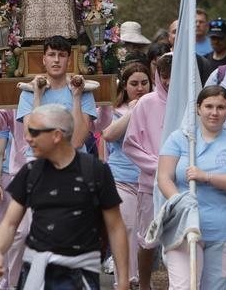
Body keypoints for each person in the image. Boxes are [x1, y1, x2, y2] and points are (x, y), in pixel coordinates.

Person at [0, 104, 129, 289]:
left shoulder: (96, 171)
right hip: (36, 273)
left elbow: (116, 227)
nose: (27, 138)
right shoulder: (30, 173)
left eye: (35, 132)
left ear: (56, 135)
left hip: (81, 274)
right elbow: (10, 223)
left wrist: (124, 280)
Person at [157, 86, 226, 289]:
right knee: (184, 287)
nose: (214, 112)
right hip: (184, 228)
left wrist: (207, 177)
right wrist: (181, 202)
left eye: (220, 107)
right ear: (198, 108)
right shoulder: (180, 139)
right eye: (208, 106)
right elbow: (164, 177)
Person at [100, 62, 151, 289]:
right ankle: (125, 281)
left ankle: (142, 279)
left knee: (146, 236)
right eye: (134, 84)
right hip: (121, 180)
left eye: (144, 83)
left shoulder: (158, 108)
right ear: (125, 86)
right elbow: (109, 135)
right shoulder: (117, 111)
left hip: (149, 181)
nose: (139, 88)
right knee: (126, 230)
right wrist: (134, 111)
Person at [123, 53, 172, 289]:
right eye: (165, 76)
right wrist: (158, 165)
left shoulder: (193, 102)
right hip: (151, 183)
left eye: (174, 76)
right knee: (148, 239)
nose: (170, 82)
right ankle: (144, 284)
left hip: (183, 181)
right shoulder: (147, 103)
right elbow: (131, 144)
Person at [16, 35, 97, 150]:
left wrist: (76, 97)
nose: (56, 60)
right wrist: (37, 96)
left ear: (69, 61)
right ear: (44, 60)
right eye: (51, 54)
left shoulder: (83, 91)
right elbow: (33, 138)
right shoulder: (28, 93)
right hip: (42, 163)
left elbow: (77, 142)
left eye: (62, 55)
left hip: (75, 163)